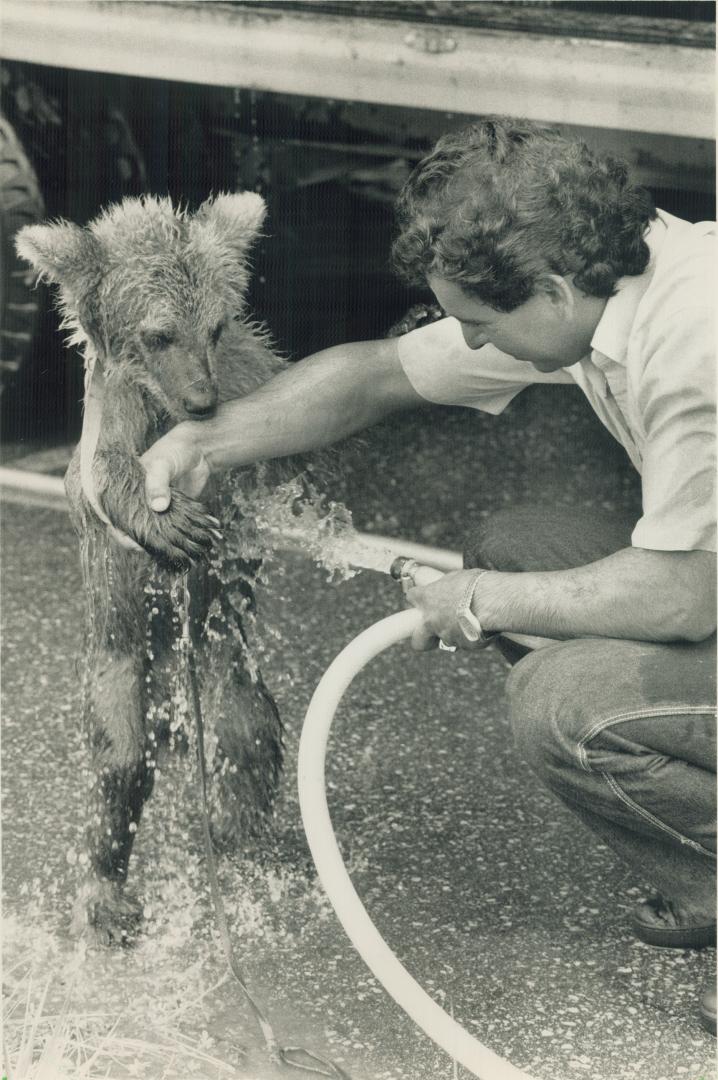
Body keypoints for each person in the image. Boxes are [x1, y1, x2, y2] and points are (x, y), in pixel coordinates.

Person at [132, 119, 717, 1030]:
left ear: (553, 291)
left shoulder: (695, 340)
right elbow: (377, 376)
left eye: (480, 325)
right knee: (518, 545)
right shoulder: (618, 280)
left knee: (565, 702)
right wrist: (204, 439)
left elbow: (683, 596)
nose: (473, 347)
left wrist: (479, 601)